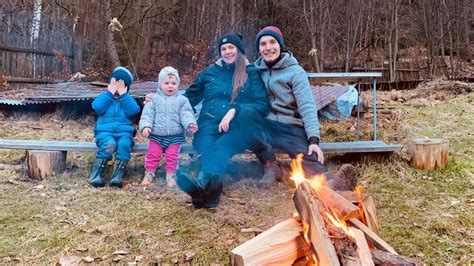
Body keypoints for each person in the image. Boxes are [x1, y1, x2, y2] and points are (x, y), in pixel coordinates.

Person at [176, 32, 270, 209]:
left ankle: (203, 184)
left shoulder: (250, 73)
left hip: (238, 127)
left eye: (231, 47)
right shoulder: (209, 73)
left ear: (239, 50)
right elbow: (188, 98)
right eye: (223, 48)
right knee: (206, 144)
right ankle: (209, 192)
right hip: (208, 125)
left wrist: (236, 109)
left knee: (220, 147)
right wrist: (161, 98)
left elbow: (262, 104)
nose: (227, 51)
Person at [253, 26, 338, 188]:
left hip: (289, 126)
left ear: (280, 45)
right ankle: (271, 168)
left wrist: (314, 139)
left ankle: (330, 182)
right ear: (259, 49)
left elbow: (307, 106)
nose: (268, 47)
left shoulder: (295, 72)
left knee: (306, 158)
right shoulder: (255, 72)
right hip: (265, 126)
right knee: (247, 128)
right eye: (263, 44)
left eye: (272, 42)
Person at [138, 66, 197, 188]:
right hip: (157, 135)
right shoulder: (154, 100)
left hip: (175, 136)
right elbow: (147, 115)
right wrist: (145, 126)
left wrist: (190, 124)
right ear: (160, 85)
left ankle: (171, 175)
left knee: (172, 156)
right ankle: (149, 173)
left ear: (178, 84)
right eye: (166, 83)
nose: (170, 86)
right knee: (153, 154)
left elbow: (186, 114)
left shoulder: (182, 100)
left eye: (173, 83)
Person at [89, 67, 140, 188]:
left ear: (126, 87)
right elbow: (97, 107)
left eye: (121, 85)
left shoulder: (128, 100)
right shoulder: (106, 98)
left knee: (123, 145)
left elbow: (134, 111)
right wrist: (109, 93)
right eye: (115, 84)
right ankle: (96, 175)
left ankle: (117, 176)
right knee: (109, 144)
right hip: (104, 133)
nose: (117, 88)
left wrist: (123, 95)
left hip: (124, 134)